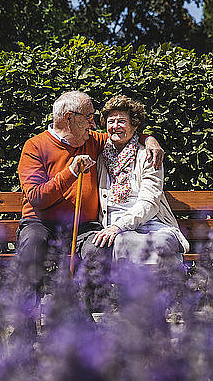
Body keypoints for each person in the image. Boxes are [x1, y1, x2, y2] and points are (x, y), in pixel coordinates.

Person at [16, 91, 164, 294]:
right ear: (69, 118)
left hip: (83, 226)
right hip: (41, 223)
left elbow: (124, 135)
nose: (93, 124)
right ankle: (24, 321)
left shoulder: (91, 140)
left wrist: (150, 140)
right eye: (88, 117)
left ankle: (82, 320)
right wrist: (71, 172)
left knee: (97, 249)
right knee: (32, 247)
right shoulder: (35, 147)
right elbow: (37, 198)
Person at [92, 95, 189, 266]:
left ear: (135, 124)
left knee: (160, 243)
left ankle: (160, 288)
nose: (115, 126)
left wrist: (120, 226)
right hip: (115, 227)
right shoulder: (100, 155)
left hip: (152, 224)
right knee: (124, 241)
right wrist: (116, 228)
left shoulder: (149, 155)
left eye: (121, 121)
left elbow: (150, 202)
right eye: (110, 121)